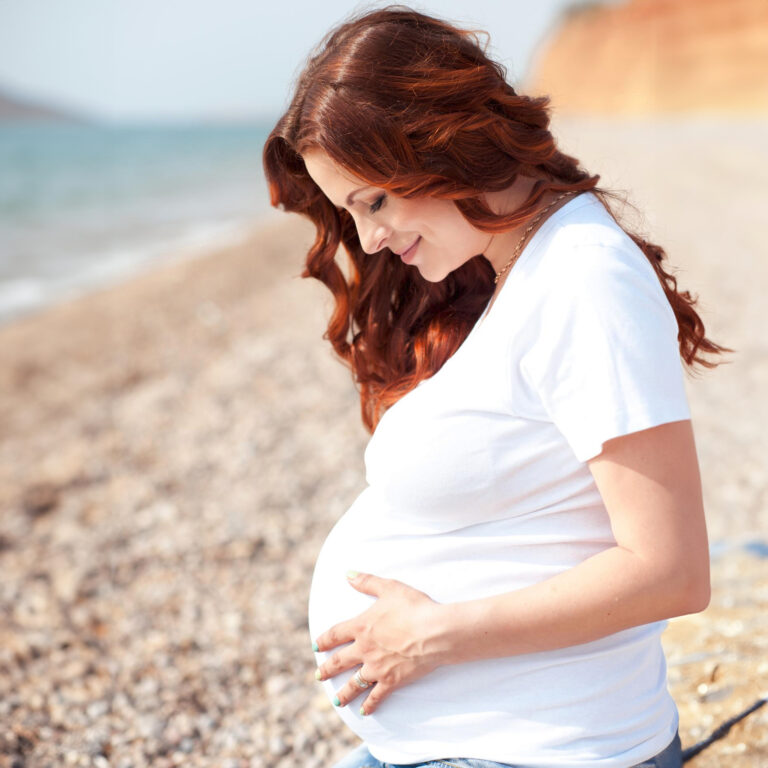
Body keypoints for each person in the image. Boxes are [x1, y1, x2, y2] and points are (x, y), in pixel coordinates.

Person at [262, 6, 729, 768]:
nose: (370, 239)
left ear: (445, 142)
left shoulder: (586, 279)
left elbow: (671, 570)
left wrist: (433, 636)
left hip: (543, 750)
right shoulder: (518, 267)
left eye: (374, 201)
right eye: (353, 214)